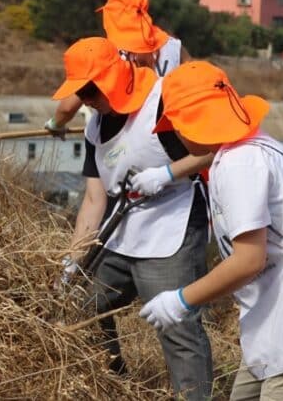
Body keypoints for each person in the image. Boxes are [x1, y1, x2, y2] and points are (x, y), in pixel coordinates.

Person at [140, 61, 283, 400]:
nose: (176, 136)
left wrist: (182, 300)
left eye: (175, 127)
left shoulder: (241, 163)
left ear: (189, 124)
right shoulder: (251, 145)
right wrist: (168, 173)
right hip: (282, 306)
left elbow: (248, 260)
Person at [53, 37, 213, 400]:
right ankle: (114, 383)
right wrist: (72, 260)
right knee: (82, 307)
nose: (87, 103)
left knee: (177, 326)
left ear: (110, 81)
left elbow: (211, 150)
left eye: (90, 94)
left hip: (171, 227)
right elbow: (94, 200)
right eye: (83, 96)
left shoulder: (162, 102)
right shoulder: (96, 127)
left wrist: (167, 174)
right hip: (122, 231)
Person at [45, 0, 190, 139]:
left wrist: (55, 124)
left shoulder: (107, 53)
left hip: (121, 137)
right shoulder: (175, 47)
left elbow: (68, 107)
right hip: (167, 134)